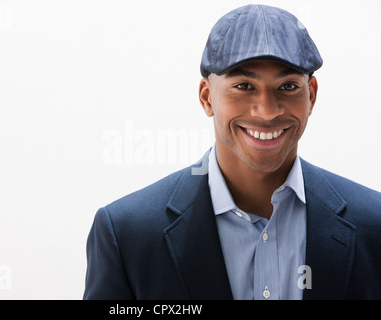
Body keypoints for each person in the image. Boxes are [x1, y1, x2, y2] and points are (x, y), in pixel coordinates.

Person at [83, 4, 381, 300]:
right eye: (244, 86)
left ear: (311, 96)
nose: (266, 112)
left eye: (287, 86)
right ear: (207, 97)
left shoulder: (374, 225)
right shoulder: (127, 235)